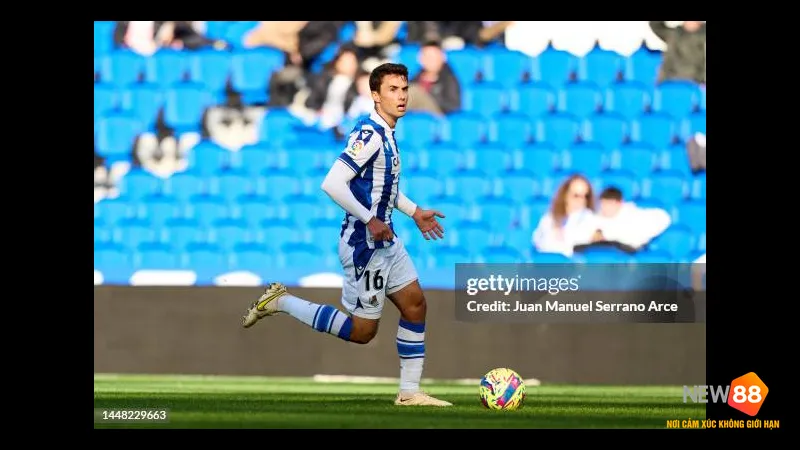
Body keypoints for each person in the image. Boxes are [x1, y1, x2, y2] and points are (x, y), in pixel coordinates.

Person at [241, 63, 452, 407]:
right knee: (362, 332)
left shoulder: (387, 135)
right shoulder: (369, 136)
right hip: (364, 246)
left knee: (415, 305)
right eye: (392, 90)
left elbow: (383, 189)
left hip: (387, 240)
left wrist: (414, 212)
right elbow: (332, 183)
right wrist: (369, 219)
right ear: (375, 95)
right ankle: (280, 301)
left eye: (403, 89)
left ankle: (410, 393)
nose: (401, 96)